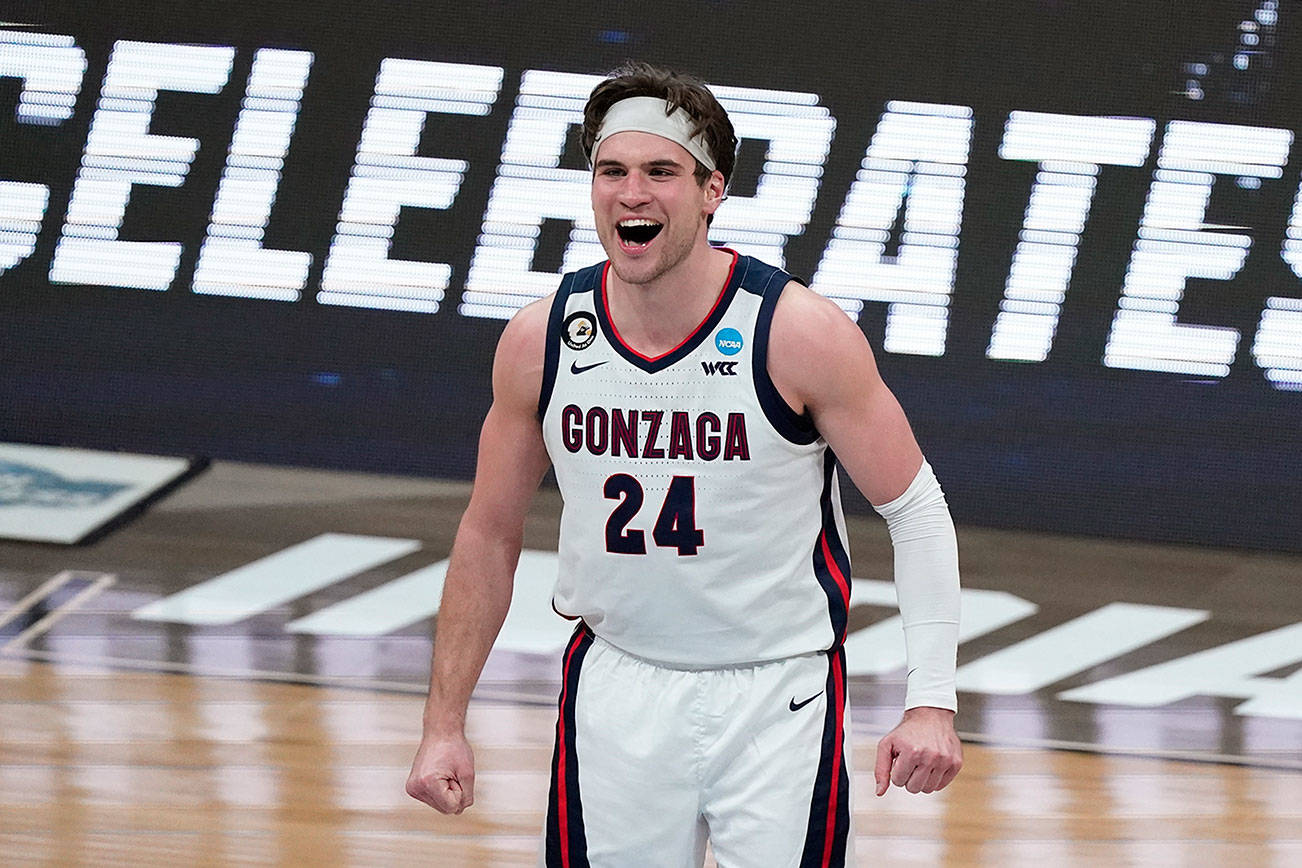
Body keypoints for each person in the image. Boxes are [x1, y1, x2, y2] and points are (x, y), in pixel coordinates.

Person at [407, 62, 963, 867]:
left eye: (661, 172)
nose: (632, 194)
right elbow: (488, 534)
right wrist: (443, 724)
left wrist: (932, 703)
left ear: (713, 191)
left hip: (778, 694)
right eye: (612, 172)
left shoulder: (794, 332)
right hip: (615, 690)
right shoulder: (543, 340)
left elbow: (916, 510)